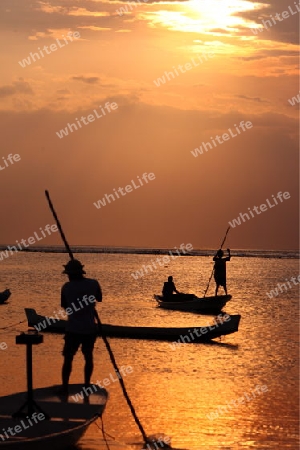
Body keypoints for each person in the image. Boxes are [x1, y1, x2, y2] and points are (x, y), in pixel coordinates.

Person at [60, 259, 102, 394]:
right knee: (88, 356)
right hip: (89, 328)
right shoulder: (93, 283)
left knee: (68, 357)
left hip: (73, 328)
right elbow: (99, 298)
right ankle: (86, 385)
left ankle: (65, 387)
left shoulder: (66, 287)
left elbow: (65, 306)